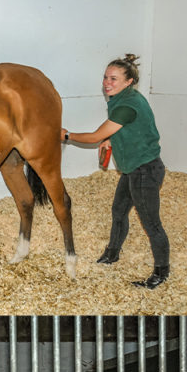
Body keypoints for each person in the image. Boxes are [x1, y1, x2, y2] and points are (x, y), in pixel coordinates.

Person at [61, 54, 170, 290]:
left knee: (152, 224)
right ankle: (112, 254)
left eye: (114, 78)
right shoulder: (125, 98)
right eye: (105, 77)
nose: (107, 83)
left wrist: (66, 136)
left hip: (145, 171)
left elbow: (93, 136)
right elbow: (123, 129)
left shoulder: (127, 105)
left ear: (129, 81)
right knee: (119, 211)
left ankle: (162, 272)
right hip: (133, 168)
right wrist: (111, 138)